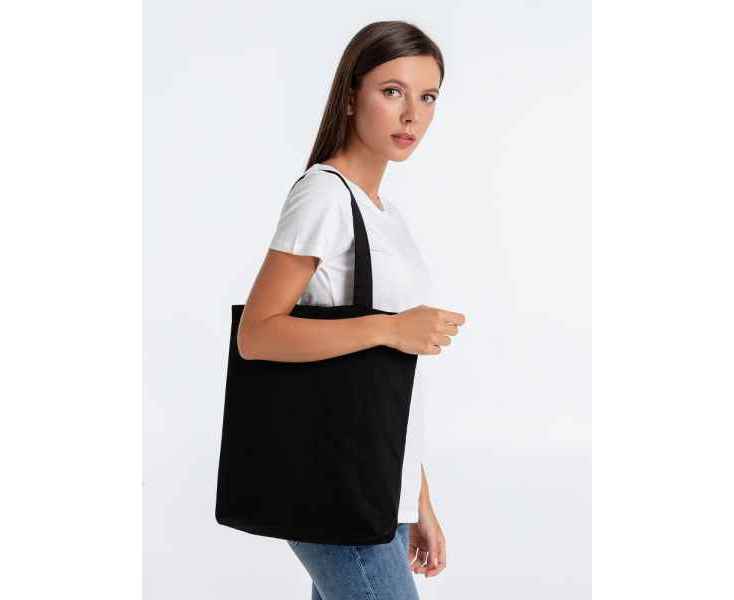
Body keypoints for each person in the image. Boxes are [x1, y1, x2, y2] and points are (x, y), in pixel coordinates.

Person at [238, 20, 465, 599]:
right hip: (332, 481)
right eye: (392, 91)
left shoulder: (382, 211)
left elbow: (380, 389)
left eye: (428, 97)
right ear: (349, 96)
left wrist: (418, 502)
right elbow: (257, 334)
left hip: (377, 486)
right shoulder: (323, 195)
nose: (412, 115)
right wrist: (391, 328)